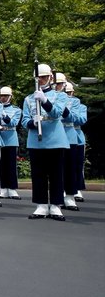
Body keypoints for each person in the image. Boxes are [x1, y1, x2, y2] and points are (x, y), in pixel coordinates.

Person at [21, 63, 69, 221]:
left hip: (55, 139)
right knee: (38, 174)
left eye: (44, 77)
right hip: (36, 140)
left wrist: (45, 101)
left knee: (56, 174)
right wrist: (32, 123)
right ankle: (41, 205)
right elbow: (24, 120)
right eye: (39, 77)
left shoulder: (60, 96)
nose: (41, 80)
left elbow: (56, 114)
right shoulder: (28, 99)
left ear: (50, 77)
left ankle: (55, 205)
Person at [62, 81, 87, 209]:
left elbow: (81, 119)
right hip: (61, 135)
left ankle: (76, 188)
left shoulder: (79, 105)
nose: (68, 95)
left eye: (69, 93)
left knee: (76, 166)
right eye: (65, 93)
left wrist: (69, 114)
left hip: (76, 136)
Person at [0, 86, 22, 200]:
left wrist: (4, 115)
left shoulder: (16, 110)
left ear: (10, 97)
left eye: (6, 96)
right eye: (2, 96)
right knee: (1, 164)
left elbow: (14, 123)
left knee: (11, 165)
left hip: (11, 138)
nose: (3, 98)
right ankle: (2, 187)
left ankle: (12, 188)